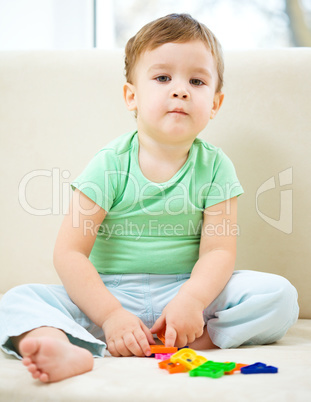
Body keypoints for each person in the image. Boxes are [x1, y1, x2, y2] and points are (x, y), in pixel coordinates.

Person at [0, 13, 298, 383]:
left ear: (215, 104)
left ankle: (186, 340)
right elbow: (69, 252)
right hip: (109, 293)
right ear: (132, 96)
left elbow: (218, 252)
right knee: (17, 299)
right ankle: (67, 345)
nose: (180, 89)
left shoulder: (217, 167)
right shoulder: (108, 164)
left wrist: (192, 300)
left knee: (279, 296)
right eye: (162, 78)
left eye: (197, 80)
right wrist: (109, 315)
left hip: (187, 293)